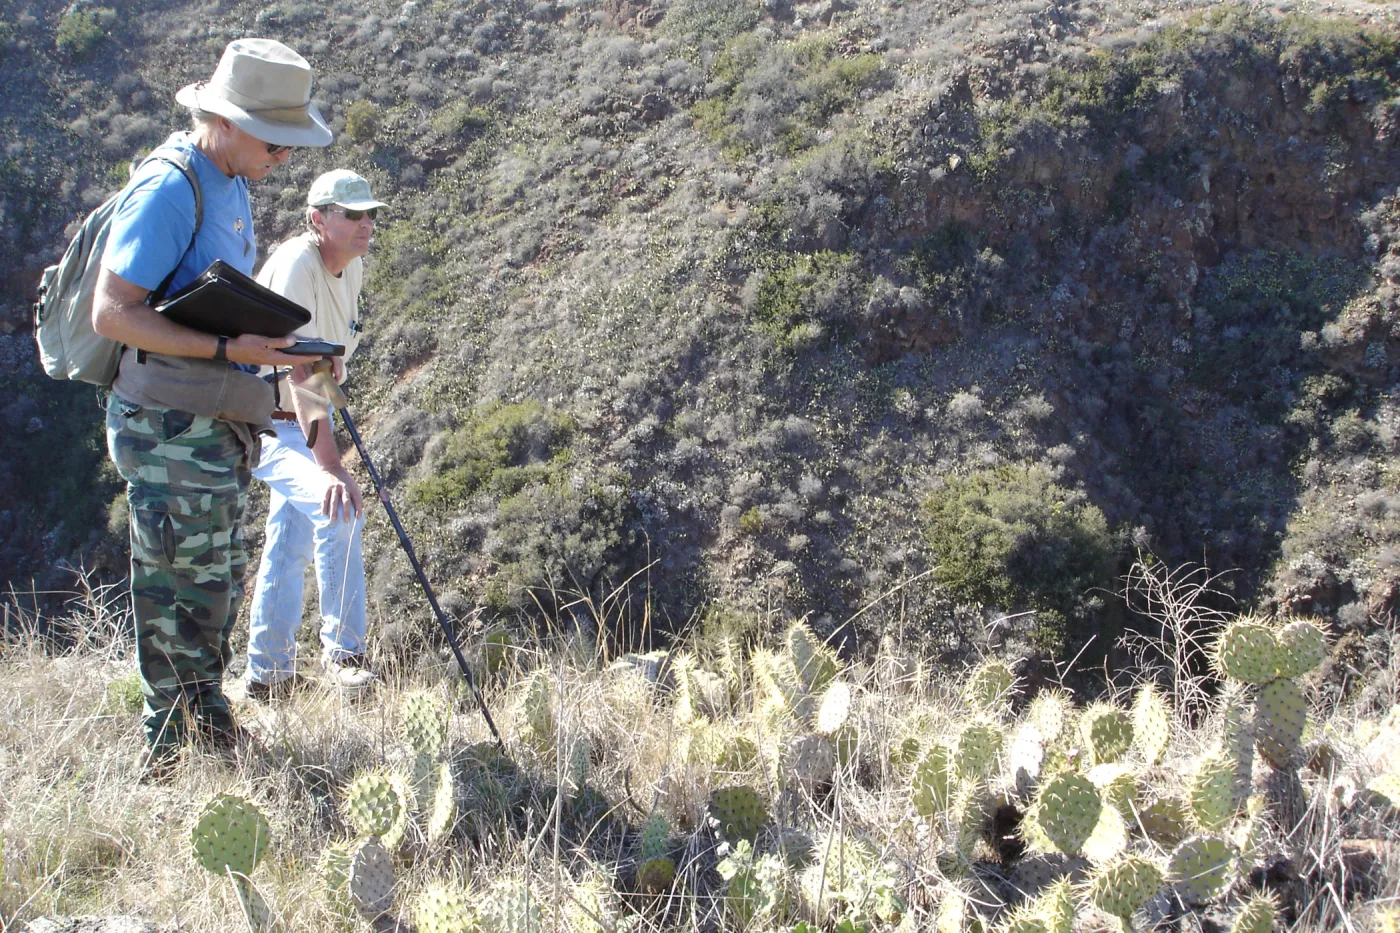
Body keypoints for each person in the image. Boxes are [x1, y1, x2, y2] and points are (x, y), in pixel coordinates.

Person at [92, 38, 333, 766]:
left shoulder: (229, 179)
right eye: (273, 140)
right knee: (172, 588)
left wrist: (279, 369)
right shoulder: (170, 188)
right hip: (167, 430)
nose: (283, 158)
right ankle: (167, 752)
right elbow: (112, 313)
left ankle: (208, 715)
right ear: (222, 121)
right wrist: (234, 353)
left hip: (217, 426)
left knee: (214, 580)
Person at [244, 170, 387, 699]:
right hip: (257, 421)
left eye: (369, 214)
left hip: (296, 421)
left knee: (289, 539)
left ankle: (267, 675)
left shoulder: (352, 268)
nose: (364, 224)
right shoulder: (295, 266)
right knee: (337, 506)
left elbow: (328, 363)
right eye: (351, 215)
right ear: (317, 218)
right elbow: (300, 370)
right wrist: (330, 464)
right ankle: (345, 656)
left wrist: (325, 443)